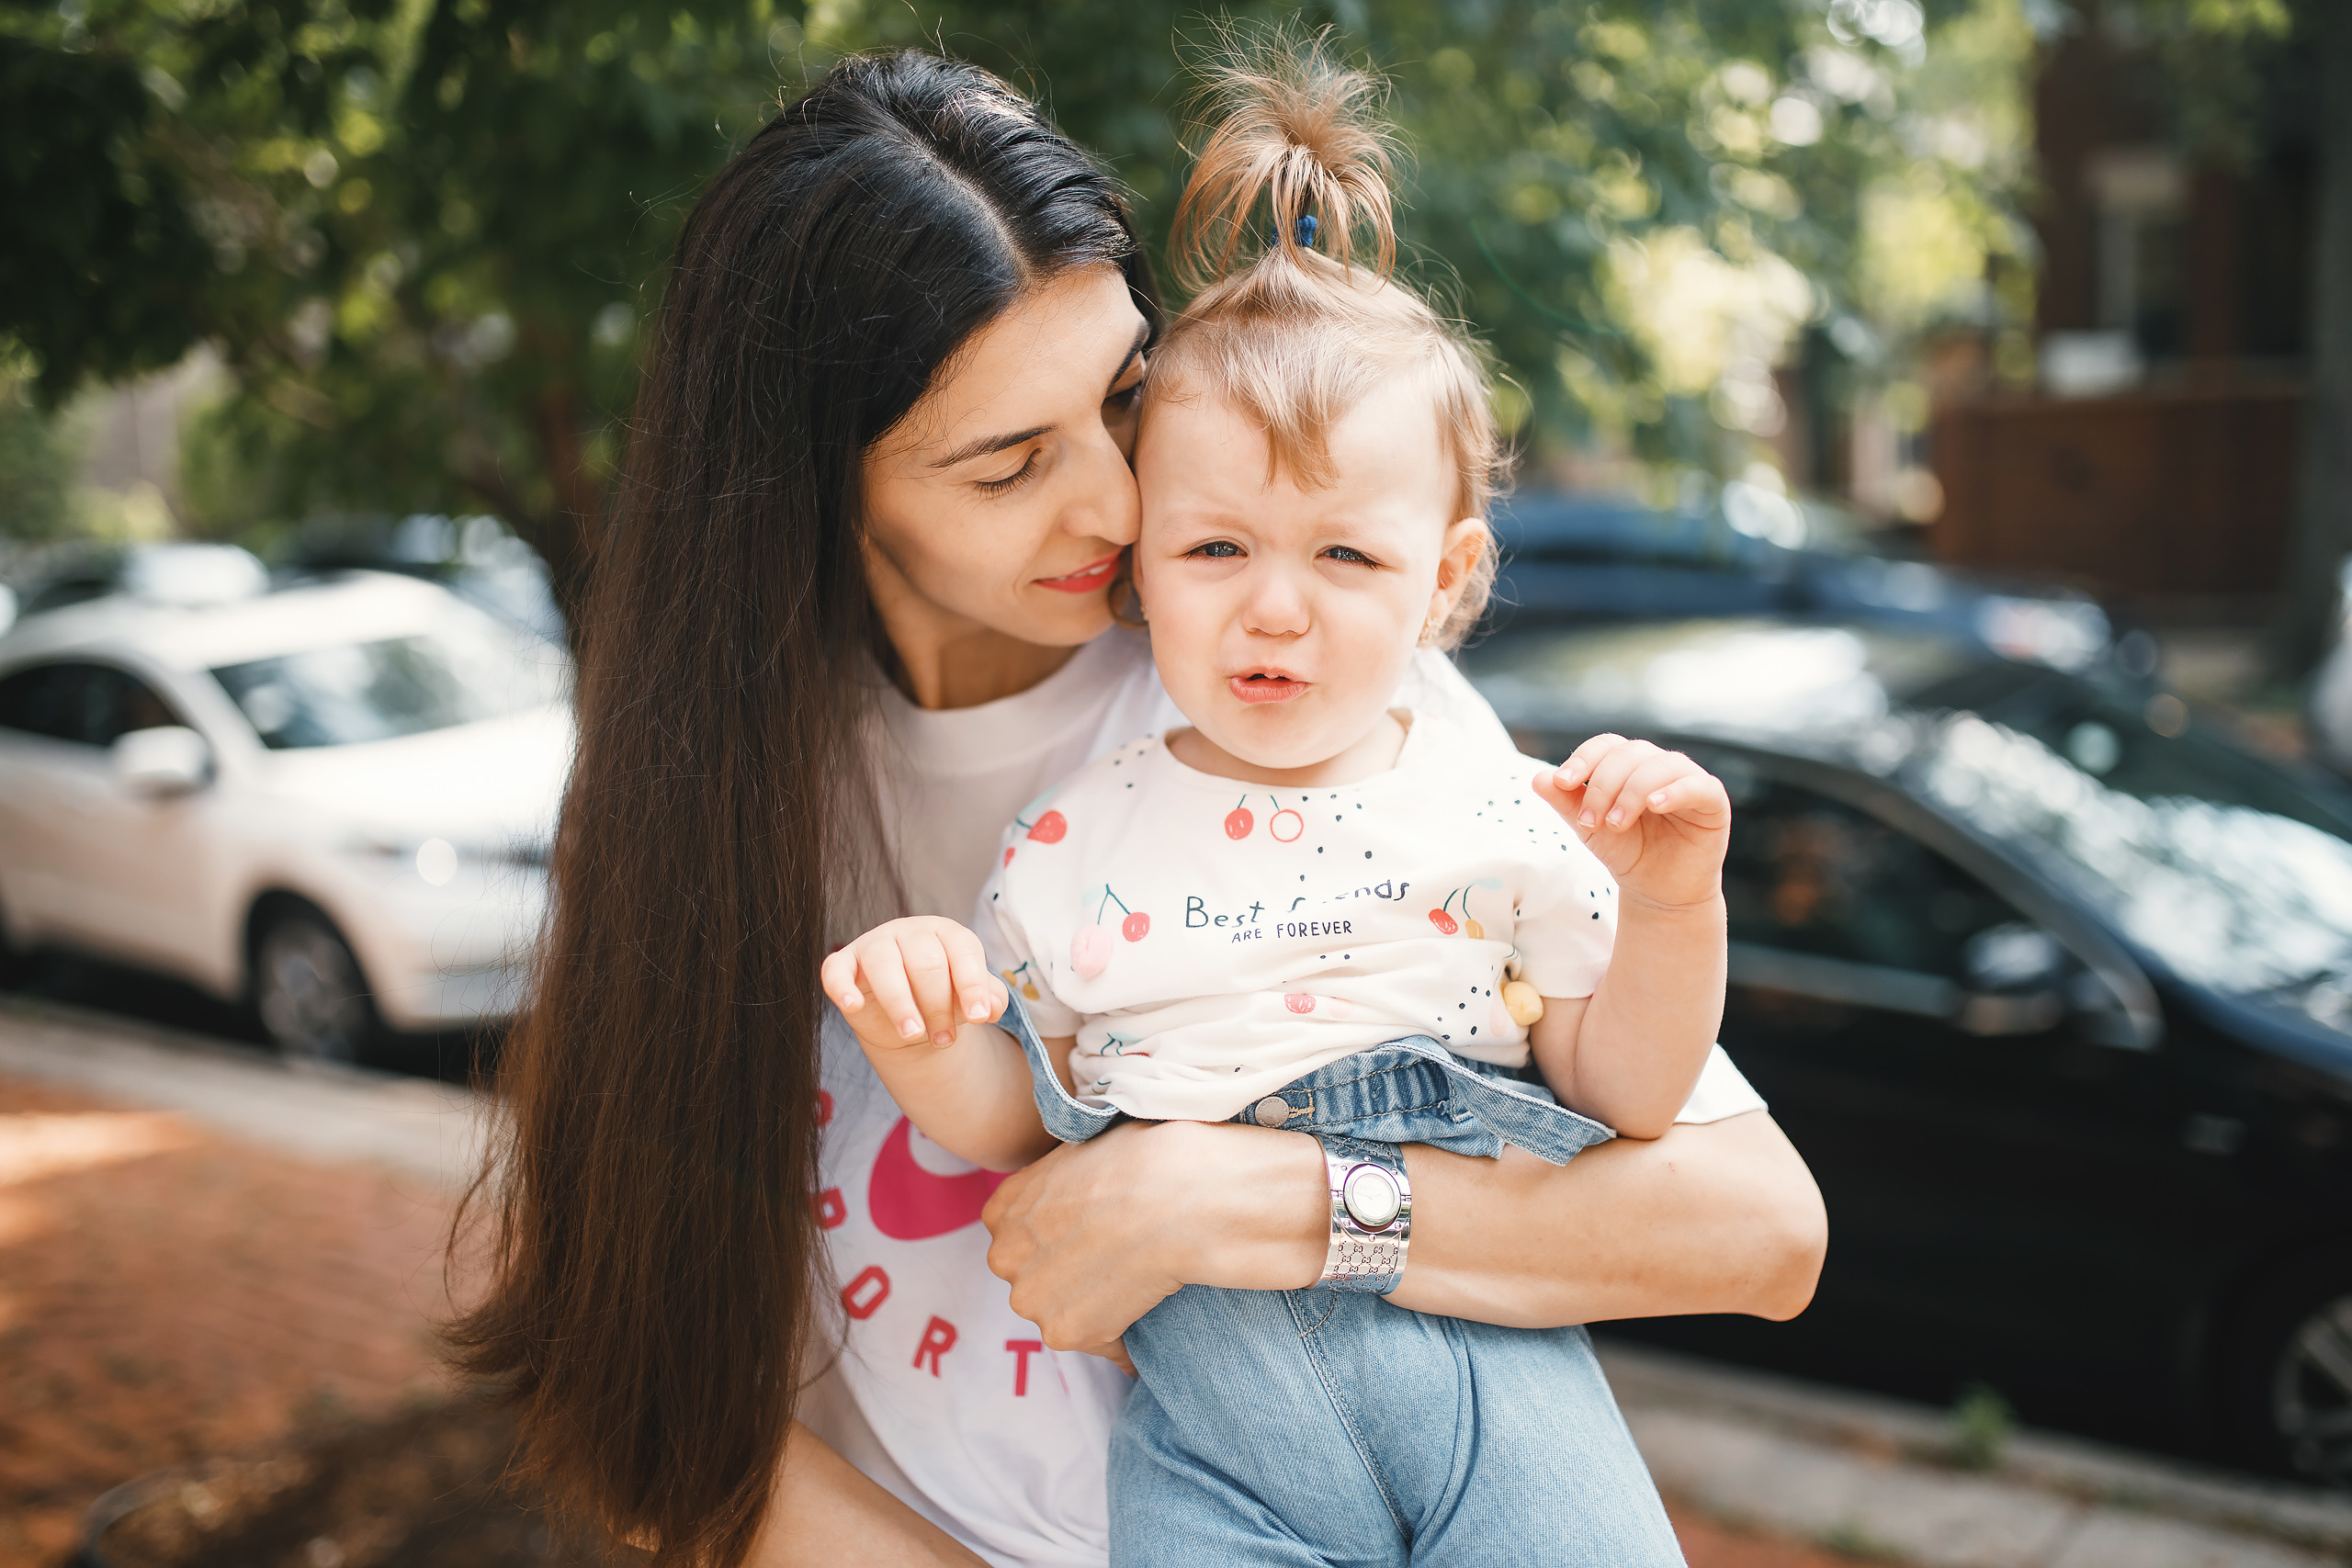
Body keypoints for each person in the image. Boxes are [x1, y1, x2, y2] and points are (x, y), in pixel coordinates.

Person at [448, 47, 1826, 1568]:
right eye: (1008, 465)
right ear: (816, 489)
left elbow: (1757, 1229)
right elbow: (662, 1409)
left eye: (1120, 401)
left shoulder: (1287, 700)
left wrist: (1245, 1198)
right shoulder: (696, 807)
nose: (1118, 506)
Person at [819, 42, 1723, 1565]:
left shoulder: (1478, 792)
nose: (1275, 615)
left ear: (1447, 580)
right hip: (1203, 1450)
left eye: (1345, 559)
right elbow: (1011, 1124)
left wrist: (1672, 905)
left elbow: (1640, 1105)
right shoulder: (1073, 839)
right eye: (1216, 549)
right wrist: (924, 1033)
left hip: (1494, 1388)